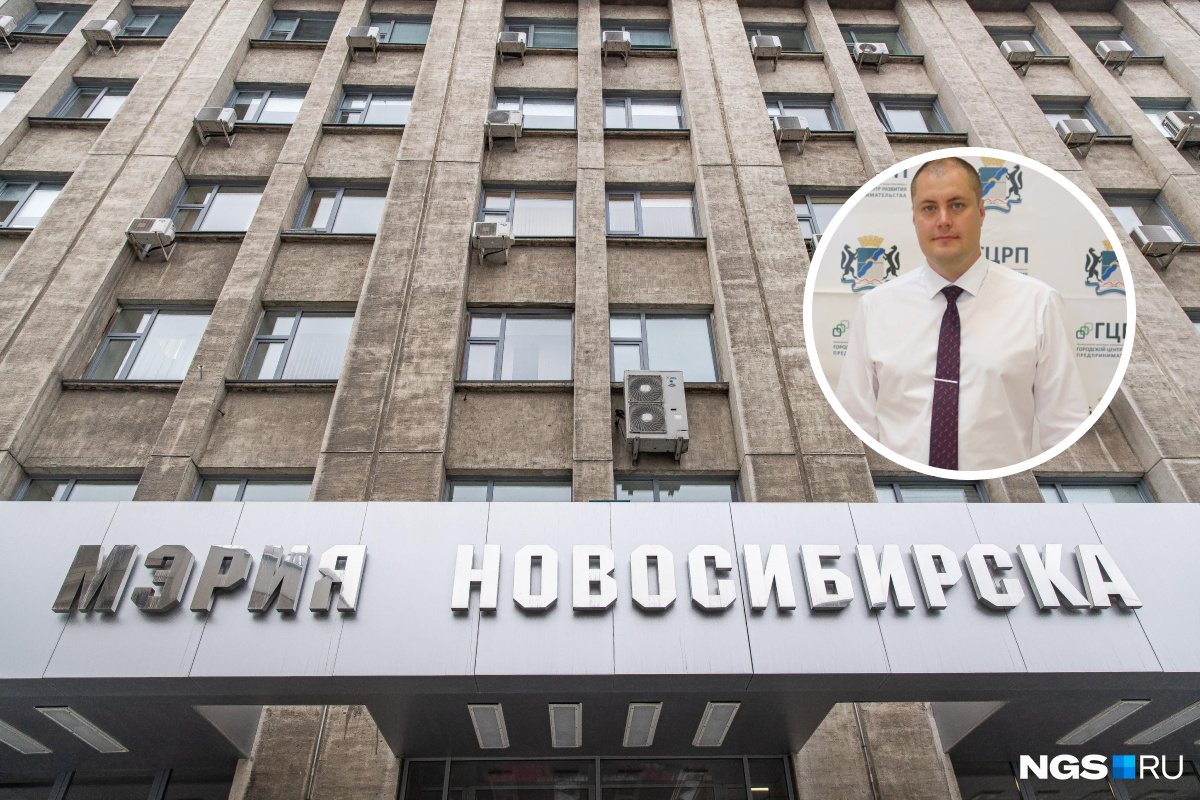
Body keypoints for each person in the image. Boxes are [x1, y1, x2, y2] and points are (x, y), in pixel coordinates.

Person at [835, 156, 1090, 471]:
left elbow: (1066, 428)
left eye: (957, 205)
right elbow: (855, 426)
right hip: (904, 493)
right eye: (929, 208)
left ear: (981, 212)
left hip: (1001, 495)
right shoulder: (875, 307)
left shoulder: (1038, 304)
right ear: (914, 219)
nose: (943, 220)